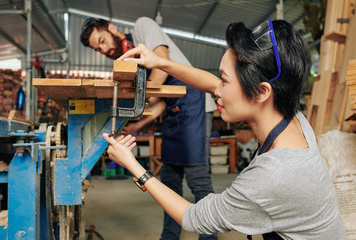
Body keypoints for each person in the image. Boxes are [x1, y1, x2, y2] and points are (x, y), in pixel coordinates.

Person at [103, 19, 347, 240]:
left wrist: (134, 166)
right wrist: (160, 62)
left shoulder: (272, 177)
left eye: (225, 81)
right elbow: (212, 84)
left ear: (262, 91)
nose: (217, 90)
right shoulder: (293, 116)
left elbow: (194, 217)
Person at [80, 17, 217, 240]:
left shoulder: (142, 26)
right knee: (170, 180)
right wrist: (135, 125)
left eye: (102, 40)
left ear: (112, 28)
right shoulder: (133, 60)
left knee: (197, 179)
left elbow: (162, 67)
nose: (104, 49)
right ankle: (169, 236)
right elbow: (161, 100)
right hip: (174, 111)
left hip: (194, 104)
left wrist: (134, 105)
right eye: (98, 48)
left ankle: (209, 237)